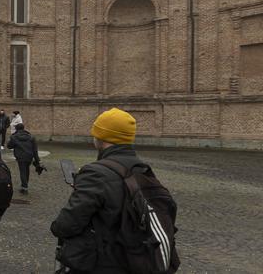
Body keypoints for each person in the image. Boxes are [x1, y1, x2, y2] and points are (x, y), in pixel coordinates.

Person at [51, 108, 179, 273]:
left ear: (101, 137)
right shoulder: (143, 171)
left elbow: (65, 225)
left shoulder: (95, 174)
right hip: (136, 262)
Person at [6, 122, 40, 194]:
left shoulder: (14, 137)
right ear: (23, 128)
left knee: (23, 171)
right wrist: (37, 160)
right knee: (26, 170)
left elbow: (9, 146)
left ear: (16, 129)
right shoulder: (31, 137)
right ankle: (24, 186)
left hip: (20, 157)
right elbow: (35, 149)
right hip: (29, 156)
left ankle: (24, 187)